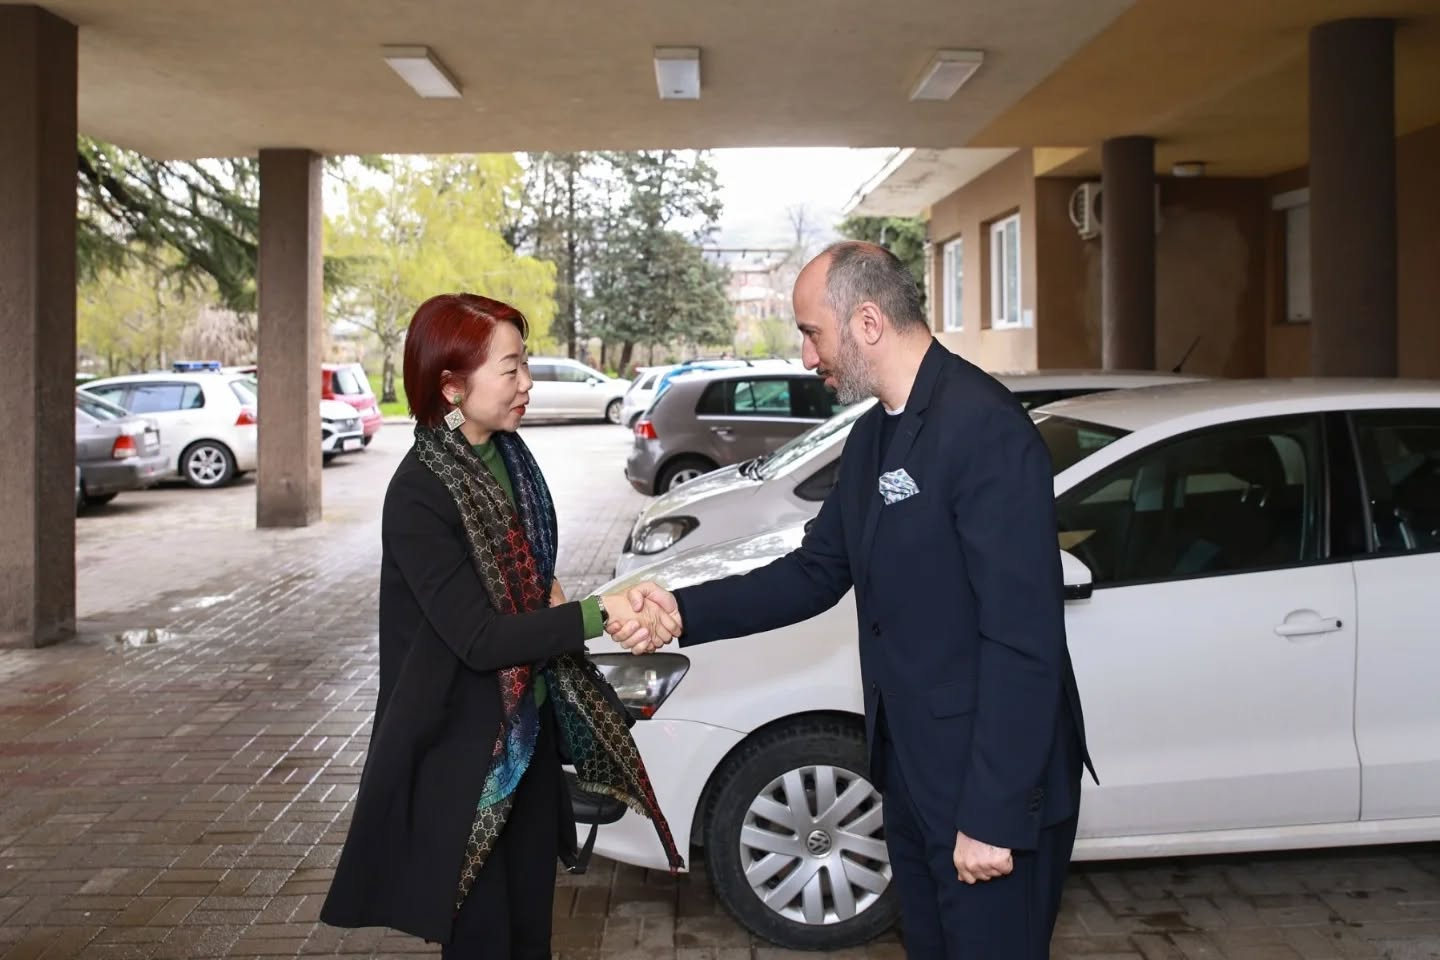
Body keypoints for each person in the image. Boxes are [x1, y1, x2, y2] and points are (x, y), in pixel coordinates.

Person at [609, 243, 1096, 959]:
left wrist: (993, 816)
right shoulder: (872, 436)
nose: (807, 357)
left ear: (868, 322)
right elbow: (814, 571)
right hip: (913, 777)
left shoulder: (984, 428)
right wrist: (680, 609)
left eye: (813, 333)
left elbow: (1023, 639)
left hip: (985, 789)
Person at [320, 293, 681, 959]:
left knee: (529, 934)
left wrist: (569, 597)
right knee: (484, 940)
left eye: (525, 365)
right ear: (451, 386)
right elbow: (480, 639)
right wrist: (599, 613)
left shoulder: (510, 456)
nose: (527, 383)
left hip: (526, 735)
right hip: (467, 758)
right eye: (510, 369)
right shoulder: (420, 491)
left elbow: (530, 578)